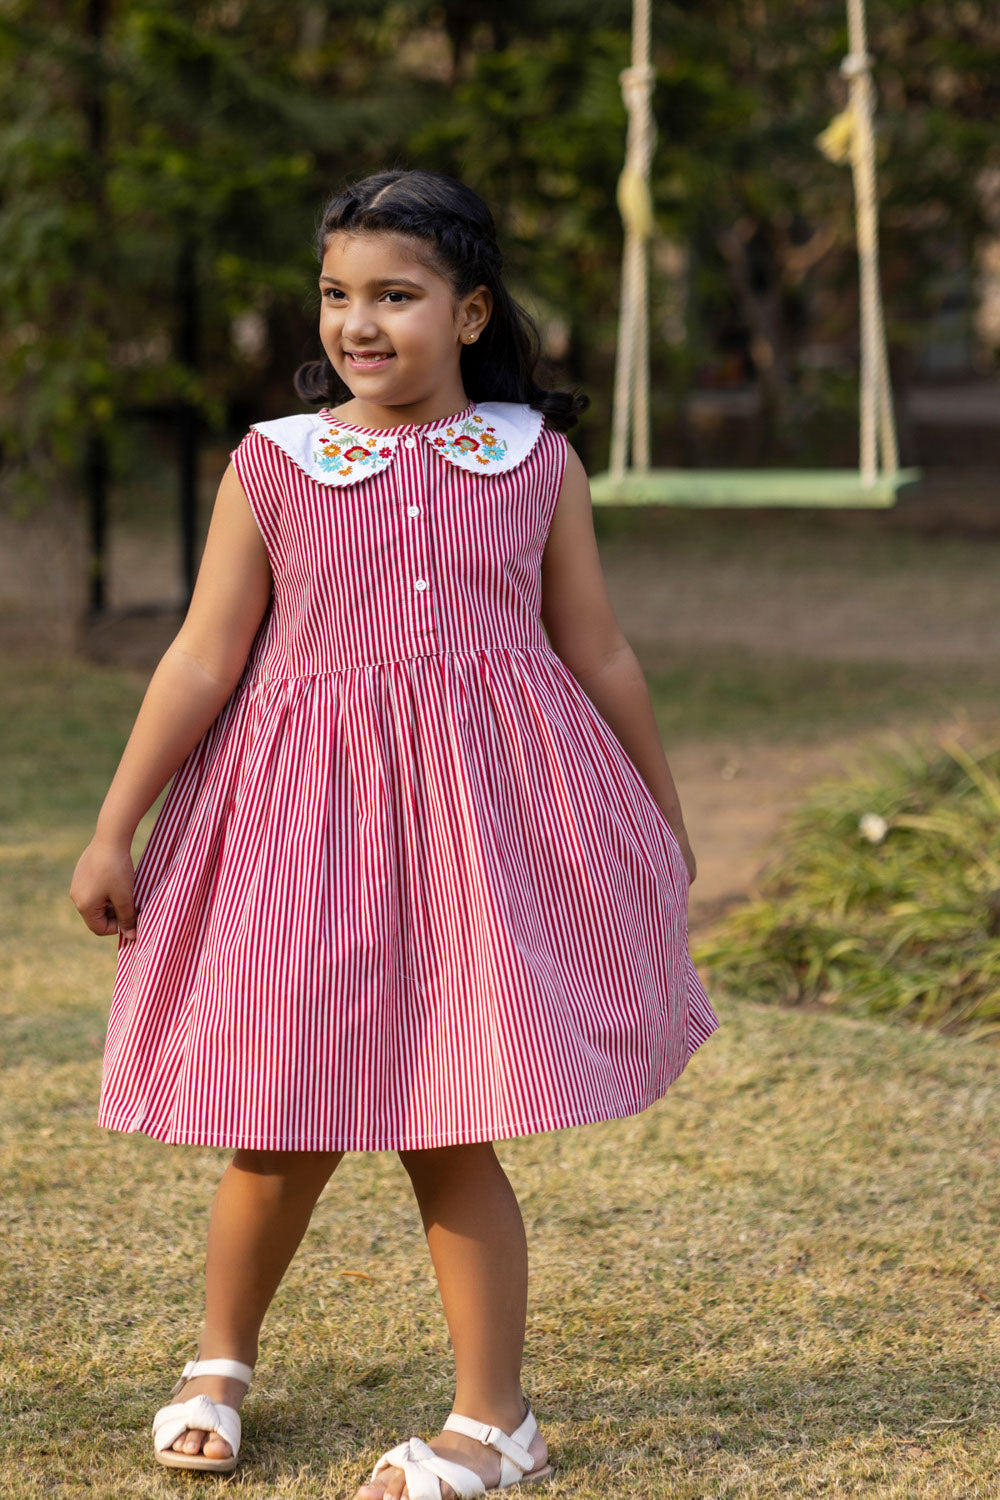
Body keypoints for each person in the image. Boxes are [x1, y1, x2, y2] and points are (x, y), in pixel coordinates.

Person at [70, 167, 720, 1500]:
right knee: (281, 1115)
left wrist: (662, 815)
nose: (358, 324)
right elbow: (201, 659)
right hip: (304, 835)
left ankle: (496, 1423)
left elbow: (596, 651)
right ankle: (221, 1361)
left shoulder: (535, 465)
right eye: (336, 295)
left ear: (471, 311)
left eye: (396, 296)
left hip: (479, 843)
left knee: (451, 1120)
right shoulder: (277, 464)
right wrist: (111, 827)